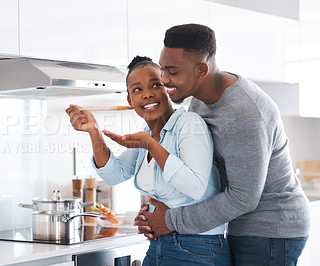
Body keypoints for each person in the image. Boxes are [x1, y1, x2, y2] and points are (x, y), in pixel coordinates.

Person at [133, 24, 311, 265]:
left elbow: (244, 197)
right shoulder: (198, 101)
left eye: (172, 72)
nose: (164, 80)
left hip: (272, 227)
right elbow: (202, 173)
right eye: (163, 69)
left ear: (201, 69)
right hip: (242, 224)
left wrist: (171, 220)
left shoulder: (244, 114)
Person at [66, 56, 231, 265]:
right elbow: (114, 174)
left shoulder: (189, 124)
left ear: (168, 89)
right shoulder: (147, 134)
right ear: (129, 100)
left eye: (156, 85)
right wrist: (94, 131)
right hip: (159, 244)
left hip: (198, 247)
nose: (147, 94)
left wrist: (151, 145)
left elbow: (195, 186)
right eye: (137, 90)